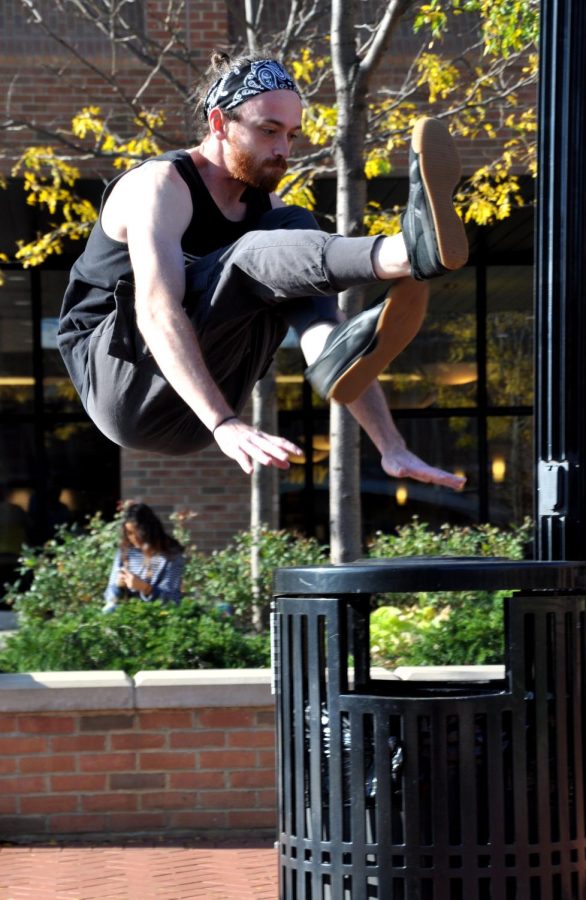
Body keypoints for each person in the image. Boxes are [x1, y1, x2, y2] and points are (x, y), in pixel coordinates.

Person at [58, 52, 469, 492]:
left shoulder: (267, 210)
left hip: (201, 404)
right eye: (268, 131)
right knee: (252, 253)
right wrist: (225, 424)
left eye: (291, 136)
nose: (283, 151)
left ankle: (331, 343)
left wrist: (391, 446)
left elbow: (307, 298)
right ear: (219, 124)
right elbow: (156, 312)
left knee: (291, 228)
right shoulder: (160, 186)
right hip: (125, 386)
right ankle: (404, 252)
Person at [103, 502, 184, 612]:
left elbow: (172, 600)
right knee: (108, 611)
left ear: (149, 529)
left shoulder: (171, 554)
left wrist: (145, 588)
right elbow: (110, 596)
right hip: (127, 614)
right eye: (129, 533)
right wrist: (118, 586)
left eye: (138, 532)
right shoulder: (125, 550)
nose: (134, 538)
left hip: (158, 615)